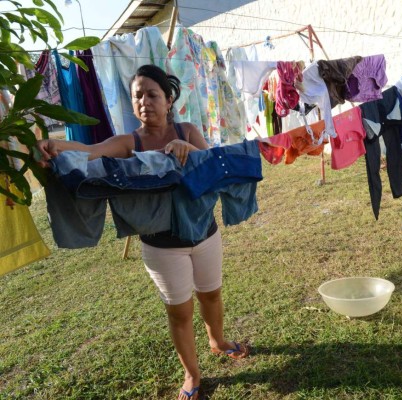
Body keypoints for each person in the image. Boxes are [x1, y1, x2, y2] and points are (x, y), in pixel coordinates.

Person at [36, 64, 249, 400]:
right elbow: (91, 153)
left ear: (168, 99)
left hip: (204, 232)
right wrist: (55, 147)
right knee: (179, 312)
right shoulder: (128, 142)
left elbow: (214, 169)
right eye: (138, 96)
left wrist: (187, 149)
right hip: (162, 246)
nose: (145, 101)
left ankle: (218, 341)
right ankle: (192, 376)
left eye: (152, 94)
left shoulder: (189, 130)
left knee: (211, 295)